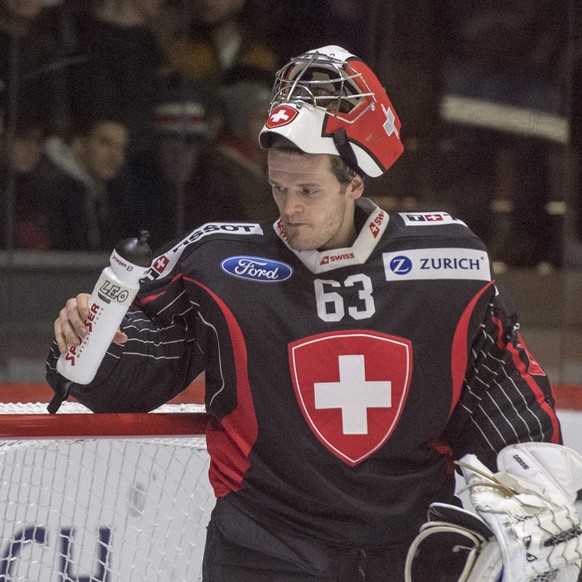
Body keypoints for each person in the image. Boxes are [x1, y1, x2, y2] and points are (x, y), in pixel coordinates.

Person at [47, 46, 572, 581]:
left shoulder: (450, 268)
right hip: (263, 552)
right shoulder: (218, 265)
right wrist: (89, 346)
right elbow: (130, 373)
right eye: (277, 187)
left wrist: (538, 489)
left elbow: (503, 397)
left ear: (355, 184)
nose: (289, 208)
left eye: (308, 190)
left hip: (409, 555)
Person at [40, 112, 133, 251]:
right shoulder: (50, 189)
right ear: (80, 144)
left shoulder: (116, 193)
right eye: (105, 143)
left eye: (121, 148)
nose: (115, 155)